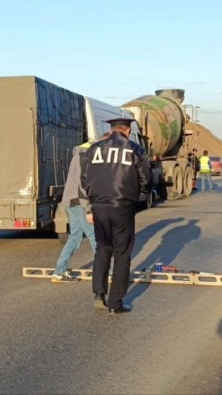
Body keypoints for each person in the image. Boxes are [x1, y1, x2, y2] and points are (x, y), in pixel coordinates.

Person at [81, 118, 152, 314]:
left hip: (99, 205)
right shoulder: (135, 149)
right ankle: (115, 302)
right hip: (122, 205)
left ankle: (99, 293)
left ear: (111, 130)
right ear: (128, 131)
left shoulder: (94, 149)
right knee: (122, 252)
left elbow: (84, 178)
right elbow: (146, 179)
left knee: (103, 248)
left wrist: (93, 199)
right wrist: (140, 194)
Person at [51, 133, 110, 283]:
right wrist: (88, 210)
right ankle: (105, 273)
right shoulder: (85, 157)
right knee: (96, 238)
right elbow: (82, 186)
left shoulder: (83, 154)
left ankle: (59, 272)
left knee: (75, 238)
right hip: (80, 203)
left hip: (73, 201)